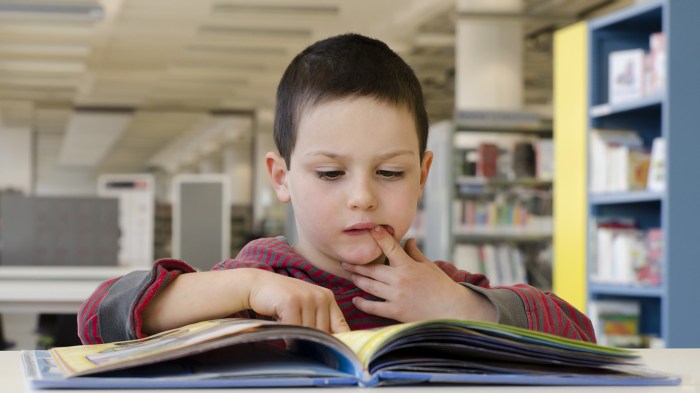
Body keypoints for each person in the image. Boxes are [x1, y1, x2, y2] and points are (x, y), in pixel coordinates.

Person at [78, 33, 595, 345]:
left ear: (423, 175)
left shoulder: (438, 286)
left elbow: (581, 336)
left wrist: (463, 307)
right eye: (330, 174)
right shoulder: (256, 281)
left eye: (390, 173)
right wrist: (248, 289)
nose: (362, 198)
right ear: (282, 178)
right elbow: (98, 319)